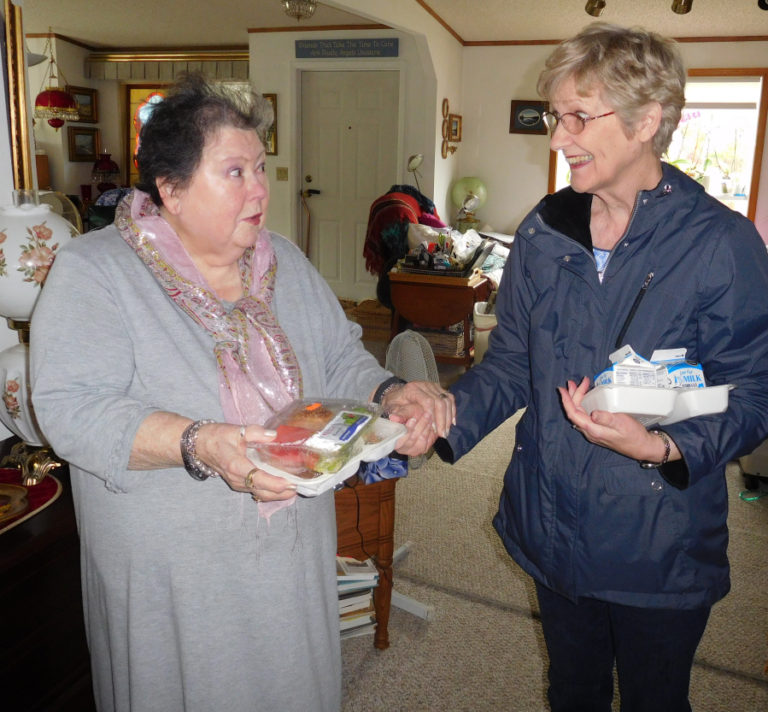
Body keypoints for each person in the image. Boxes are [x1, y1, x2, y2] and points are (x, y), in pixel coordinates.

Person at [29, 74, 451, 712]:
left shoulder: (280, 259)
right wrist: (200, 443)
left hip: (289, 549)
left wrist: (391, 393)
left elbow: (338, 355)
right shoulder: (95, 271)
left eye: (260, 167)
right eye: (235, 172)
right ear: (170, 188)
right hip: (175, 575)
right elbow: (71, 407)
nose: (260, 189)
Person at [428, 23, 768, 712]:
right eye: (556, 116)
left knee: (653, 699)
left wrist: (664, 442)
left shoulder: (720, 244)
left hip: (657, 543)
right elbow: (513, 364)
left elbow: (750, 392)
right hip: (551, 524)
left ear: (648, 121)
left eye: (579, 117)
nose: (557, 138)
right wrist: (440, 416)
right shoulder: (543, 228)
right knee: (573, 691)